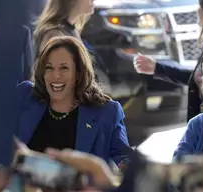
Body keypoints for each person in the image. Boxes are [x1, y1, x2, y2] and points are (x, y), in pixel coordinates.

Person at [17, 36, 132, 165]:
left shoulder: (107, 112)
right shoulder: (25, 95)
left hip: (79, 185)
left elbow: (125, 158)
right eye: (49, 68)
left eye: (64, 68)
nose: (56, 75)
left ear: (78, 73)